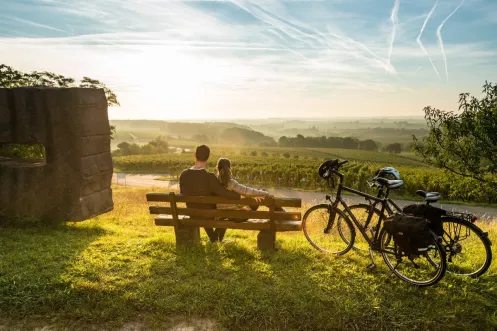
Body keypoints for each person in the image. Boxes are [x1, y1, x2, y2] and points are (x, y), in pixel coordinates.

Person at [179, 145, 240, 243]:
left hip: (192, 212)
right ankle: (215, 238)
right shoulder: (210, 177)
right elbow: (225, 194)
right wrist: (241, 196)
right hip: (208, 215)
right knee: (220, 212)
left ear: (195, 155)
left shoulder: (184, 174)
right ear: (208, 157)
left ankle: (214, 238)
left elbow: (182, 193)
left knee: (204, 210)